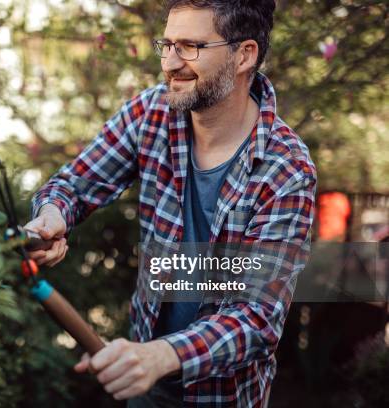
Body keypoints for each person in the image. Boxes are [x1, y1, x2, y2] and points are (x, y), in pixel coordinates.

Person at [25, 0, 317, 406]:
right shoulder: (150, 114)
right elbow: (73, 185)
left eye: (191, 46)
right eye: (167, 44)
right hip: (144, 382)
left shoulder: (286, 170)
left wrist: (161, 355)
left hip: (223, 396)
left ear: (244, 55)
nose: (170, 62)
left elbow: (256, 318)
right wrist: (51, 216)